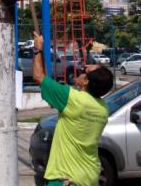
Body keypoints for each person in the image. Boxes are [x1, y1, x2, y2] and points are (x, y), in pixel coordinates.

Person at [33, 32, 114, 186]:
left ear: (86, 82)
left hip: (65, 179)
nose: (82, 68)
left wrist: (37, 50)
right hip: (89, 177)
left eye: (85, 71)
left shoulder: (73, 99)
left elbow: (38, 76)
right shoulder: (103, 108)